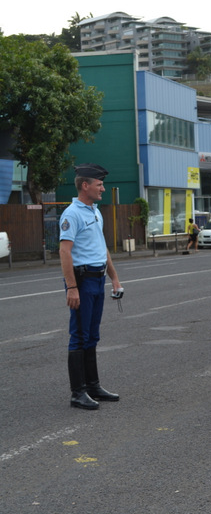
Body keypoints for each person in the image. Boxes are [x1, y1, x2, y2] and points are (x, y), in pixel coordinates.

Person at [59, 163, 123, 410]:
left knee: (92, 335)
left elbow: (101, 248)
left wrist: (114, 278)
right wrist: (72, 287)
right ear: (85, 186)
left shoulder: (95, 211)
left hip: (97, 279)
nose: (103, 189)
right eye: (99, 185)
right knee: (79, 336)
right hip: (82, 281)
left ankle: (93, 385)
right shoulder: (72, 214)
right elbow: (65, 252)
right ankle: (78, 393)